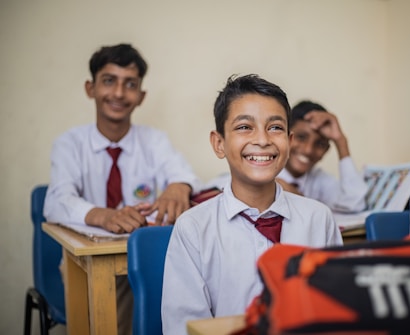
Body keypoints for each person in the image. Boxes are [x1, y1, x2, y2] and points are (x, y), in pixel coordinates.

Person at [161, 74, 343, 335]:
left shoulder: (318, 219)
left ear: (289, 141)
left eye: (275, 127)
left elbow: (336, 313)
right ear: (219, 143)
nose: (262, 140)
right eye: (245, 127)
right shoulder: (193, 228)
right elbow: (183, 327)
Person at [43, 43, 201, 334]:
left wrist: (179, 186)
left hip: (140, 258)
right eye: (108, 81)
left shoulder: (154, 141)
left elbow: (184, 175)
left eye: (130, 84)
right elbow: (55, 201)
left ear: (141, 96)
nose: (118, 93)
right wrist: (102, 216)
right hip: (88, 262)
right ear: (90, 88)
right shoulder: (70, 144)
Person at [206, 100, 368, 215]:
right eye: (301, 137)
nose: (308, 150)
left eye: (319, 144)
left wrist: (341, 142)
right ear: (286, 137)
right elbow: (218, 188)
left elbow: (354, 203)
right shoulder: (259, 170)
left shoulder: (319, 180)